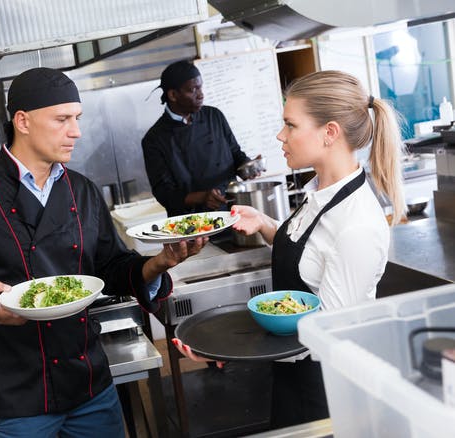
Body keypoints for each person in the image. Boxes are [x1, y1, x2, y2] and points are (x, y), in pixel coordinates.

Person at [0, 67, 205, 437]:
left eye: (77, 119)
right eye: (62, 119)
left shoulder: (82, 190)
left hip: (89, 386)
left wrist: (159, 263)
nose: (76, 131)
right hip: (16, 397)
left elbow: (111, 266)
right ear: (23, 121)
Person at [173, 70, 406, 429]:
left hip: (328, 393)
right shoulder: (318, 193)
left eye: (291, 125)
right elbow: (310, 255)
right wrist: (266, 226)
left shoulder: (356, 224)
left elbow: (329, 332)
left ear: (330, 133)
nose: (281, 135)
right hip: (294, 378)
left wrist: (231, 346)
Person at [142, 59, 258, 217]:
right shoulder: (154, 139)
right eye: (193, 90)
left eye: (201, 87)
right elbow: (165, 194)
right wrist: (202, 197)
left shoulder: (214, 116)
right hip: (192, 224)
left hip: (232, 213)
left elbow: (235, 153)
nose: (201, 94)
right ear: (173, 95)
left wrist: (247, 167)